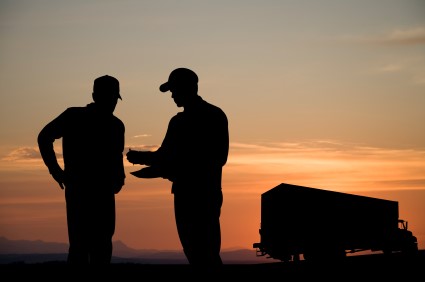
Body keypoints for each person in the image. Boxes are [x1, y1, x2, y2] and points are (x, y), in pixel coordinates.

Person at [127, 67, 229, 269]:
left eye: (174, 90)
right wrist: (143, 159)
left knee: (205, 252)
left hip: (201, 194)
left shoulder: (210, 116)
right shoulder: (183, 120)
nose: (172, 95)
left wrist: (151, 162)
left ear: (188, 88)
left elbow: (217, 158)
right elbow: (164, 157)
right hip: (189, 193)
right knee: (195, 251)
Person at [37, 75, 126, 264]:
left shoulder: (116, 125)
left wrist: (119, 178)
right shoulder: (73, 116)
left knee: (102, 243)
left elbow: (116, 157)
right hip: (81, 191)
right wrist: (55, 170)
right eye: (109, 98)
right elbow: (44, 137)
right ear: (95, 96)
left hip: (103, 192)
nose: (112, 103)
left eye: (113, 99)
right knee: (80, 244)